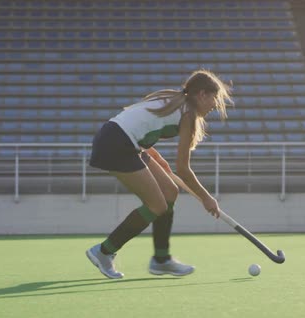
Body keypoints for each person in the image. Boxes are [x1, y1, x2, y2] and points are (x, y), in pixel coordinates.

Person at [86, 69, 232, 279]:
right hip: (117, 145)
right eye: (214, 98)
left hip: (122, 139)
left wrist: (154, 155)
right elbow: (182, 169)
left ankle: (161, 259)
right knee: (157, 205)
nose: (214, 105)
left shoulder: (174, 99)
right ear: (201, 94)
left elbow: (141, 124)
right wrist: (206, 197)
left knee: (170, 192)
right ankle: (103, 252)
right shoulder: (188, 114)